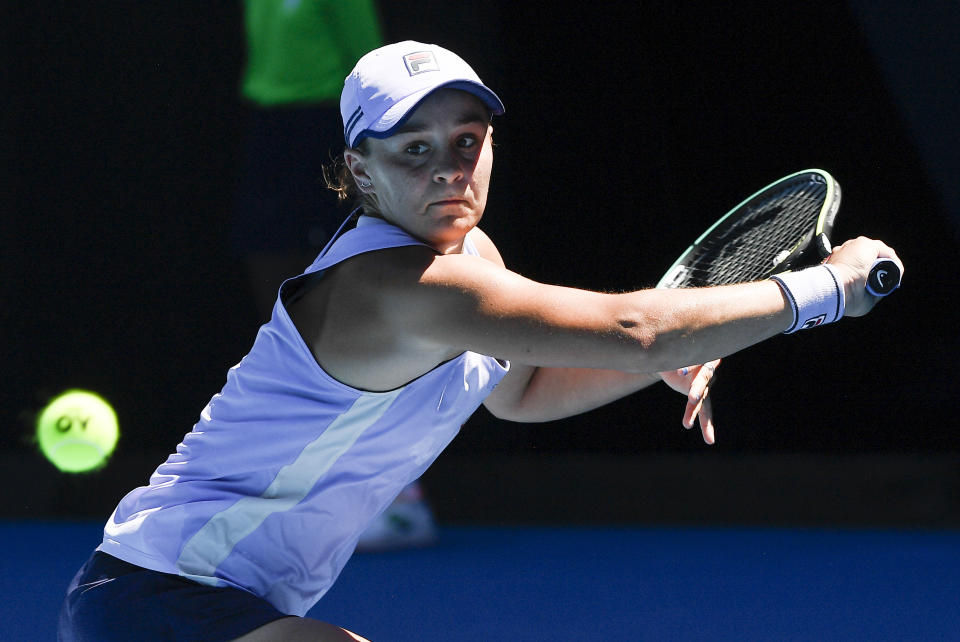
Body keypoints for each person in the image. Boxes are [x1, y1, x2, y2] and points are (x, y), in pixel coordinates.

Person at [58, 41, 903, 641]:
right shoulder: (399, 288)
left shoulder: (470, 260)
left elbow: (526, 393)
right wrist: (827, 288)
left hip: (201, 603)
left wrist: (653, 368)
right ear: (360, 172)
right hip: (160, 597)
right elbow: (635, 328)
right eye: (414, 150)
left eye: (466, 144)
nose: (446, 171)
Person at [233, 0, 437, 551]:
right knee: (279, 289)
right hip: (272, 127)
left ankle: (397, 496)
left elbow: (368, 68)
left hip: (325, 125)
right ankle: (298, 485)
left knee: (356, 281)